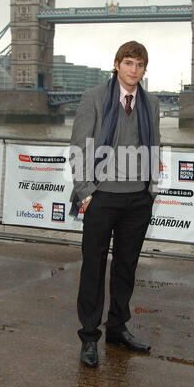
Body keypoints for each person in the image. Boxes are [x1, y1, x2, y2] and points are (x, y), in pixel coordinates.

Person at [69, 40, 160, 367]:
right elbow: (78, 147)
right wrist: (87, 192)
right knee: (93, 267)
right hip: (102, 197)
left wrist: (150, 190)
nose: (134, 70)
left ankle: (118, 328)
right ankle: (89, 336)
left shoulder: (151, 102)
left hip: (138, 199)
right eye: (129, 63)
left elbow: (154, 145)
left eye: (139, 65)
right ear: (117, 65)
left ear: (144, 69)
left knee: (126, 268)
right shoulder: (93, 98)